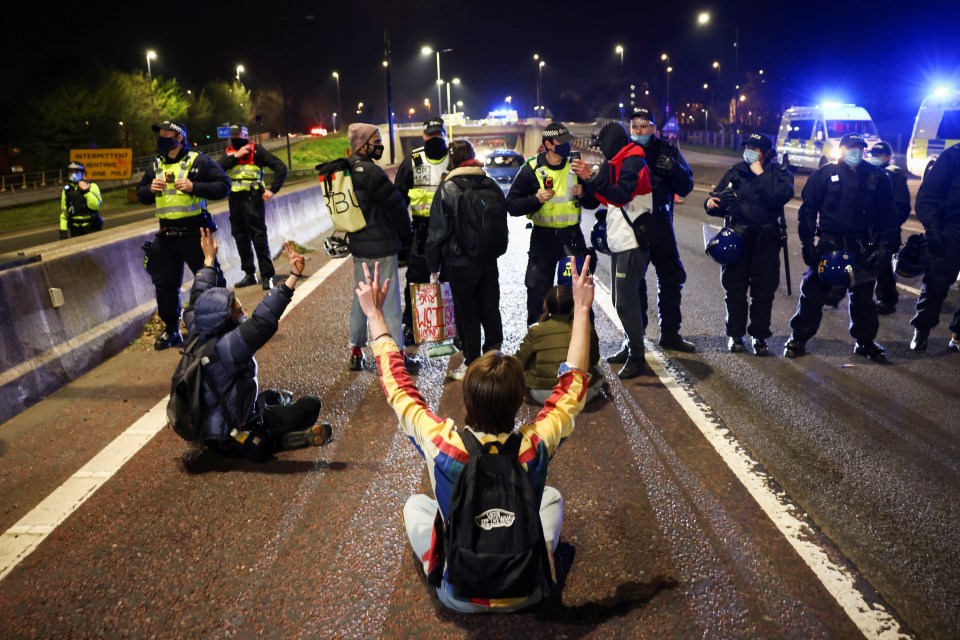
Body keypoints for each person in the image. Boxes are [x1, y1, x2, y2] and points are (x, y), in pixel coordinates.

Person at [355, 253, 594, 613]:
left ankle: (446, 570)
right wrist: (580, 311)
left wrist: (375, 316)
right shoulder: (535, 443)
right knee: (552, 497)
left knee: (415, 505)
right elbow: (572, 383)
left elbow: (399, 387)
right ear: (517, 402)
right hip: (528, 590)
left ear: (467, 399)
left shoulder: (442, 444)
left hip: (459, 594)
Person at [183, 228, 332, 462]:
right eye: (239, 312)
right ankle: (279, 441)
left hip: (211, 428)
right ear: (224, 319)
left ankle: (268, 428)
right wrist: (291, 278)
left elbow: (199, 296)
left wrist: (209, 260)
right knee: (310, 406)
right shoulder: (229, 347)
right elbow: (264, 320)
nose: (244, 314)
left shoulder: (196, 325)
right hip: (233, 436)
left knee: (273, 395)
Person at [784, 133, 898, 361]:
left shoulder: (878, 177)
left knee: (863, 299)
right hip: (830, 243)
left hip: (863, 246)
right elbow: (808, 211)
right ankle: (798, 338)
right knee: (813, 293)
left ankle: (865, 342)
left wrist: (885, 247)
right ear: (842, 149)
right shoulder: (824, 174)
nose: (855, 152)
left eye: (860, 148)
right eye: (851, 147)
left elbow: (888, 217)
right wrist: (807, 243)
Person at [606, 107, 696, 361]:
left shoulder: (668, 150)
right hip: (633, 224)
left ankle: (670, 333)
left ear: (654, 128)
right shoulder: (623, 152)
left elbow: (687, 186)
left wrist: (674, 169)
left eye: (644, 126)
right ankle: (634, 340)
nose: (639, 130)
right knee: (633, 284)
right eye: (634, 126)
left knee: (671, 276)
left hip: (661, 221)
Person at [137, 120, 230, 351]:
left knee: (211, 282)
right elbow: (140, 193)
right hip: (167, 236)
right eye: (160, 133)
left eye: (166, 132)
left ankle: (220, 326)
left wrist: (195, 187)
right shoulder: (156, 165)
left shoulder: (199, 161)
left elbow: (224, 186)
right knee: (165, 287)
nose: (162, 136)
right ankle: (172, 331)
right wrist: (149, 190)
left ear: (179, 137)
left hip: (195, 235)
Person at [576, 121, 655, 378]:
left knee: (625, 301)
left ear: (612, 142)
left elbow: (620, 195)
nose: (602, 151)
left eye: (603, 146)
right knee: (618, 300)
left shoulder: (632, 161)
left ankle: (637, 357)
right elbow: (607, 197)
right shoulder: (618, 161)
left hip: (632, 242)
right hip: (620, 241)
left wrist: (591, 177)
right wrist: (585, 189)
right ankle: (630, 345)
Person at [705, 133, 795, 354]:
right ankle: (735, 335)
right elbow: (716, 199)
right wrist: (711, 203)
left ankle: (759, 336)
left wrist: (760, 174)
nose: (750, 151)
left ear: (766, 153)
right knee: (734, 291)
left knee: (763, 293)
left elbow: (778, 196)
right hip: (737, 238)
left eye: (755, 148)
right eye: (748, 147)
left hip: (765, 240)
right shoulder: (735, 171)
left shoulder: (779, 174)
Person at [425, 139, 505, 380]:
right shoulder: (490, 184)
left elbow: (437, 232)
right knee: (490, 308)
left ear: (452, 161)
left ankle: (471, 363)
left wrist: (433, 265)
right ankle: (494, 358)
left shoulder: (448, 188)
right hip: (489, 259)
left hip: (459, 262)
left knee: (466, 312)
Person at [506, 121, 600, 326]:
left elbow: (594, 202)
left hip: (572, 237)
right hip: (543, 239)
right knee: (538, 292)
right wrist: (535, 200)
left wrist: (584, 193)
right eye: (562, 141)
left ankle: (585, 343)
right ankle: (536, 344)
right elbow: (511, 205)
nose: (567, 146)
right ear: (548, 144)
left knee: (579, 289)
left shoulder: (576, 166)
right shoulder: (531, 169)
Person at [343, 122, 414, 371]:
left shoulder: (344, 170)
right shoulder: (373, 173)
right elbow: (396, 208)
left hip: (359, 247)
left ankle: (355, 350)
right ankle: (397, 356)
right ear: (363, 144)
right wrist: (408, 236)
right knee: (389, 301)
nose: (380, 143)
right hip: (382, 247)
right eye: (376, 139)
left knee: (360, 298)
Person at [395, 117, 449, 345]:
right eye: (431, 135)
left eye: (439, 135)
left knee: (449, 279)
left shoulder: (454, 158)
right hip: (421, 231)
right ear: (424, 136)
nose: (435, 138)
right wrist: (403, 234)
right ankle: (411, 324)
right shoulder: (413, 161)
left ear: (444, 135)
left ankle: (449, 325)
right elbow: (398, 200)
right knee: (415, 279)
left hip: (449, 231)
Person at [217, 124, 289, 291]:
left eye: (238, 134)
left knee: (258, 237)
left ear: (246, 135)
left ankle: (267, 276)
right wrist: (235, 156)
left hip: (252, 200)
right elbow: (216, 169)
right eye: (233, 135)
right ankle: (249, 274)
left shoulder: (257, 151)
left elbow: (281, 167)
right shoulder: (229, 153)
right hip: (234, 202)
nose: (235, 137)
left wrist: (272, 190)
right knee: (240, 238)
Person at [908, 142, 960, 352]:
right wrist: (933, 229)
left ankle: (958, 334)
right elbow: (928, 196)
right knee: (936, 283)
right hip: (952, 229)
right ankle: (922, 330)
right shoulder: (954, 156)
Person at [515, 284, 603, 403]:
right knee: (599, 362)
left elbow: (519, 362)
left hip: (543, 394)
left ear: (546, 305)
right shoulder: (586, 328)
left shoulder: (536, 330)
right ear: (573, 306)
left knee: (530, 360)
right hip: (579, 395)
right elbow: (594, 359)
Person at [864, 141, 912, 315]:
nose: (875, 158)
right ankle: (841, 293)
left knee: (883, 267)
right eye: (873, 154)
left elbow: (902, 206)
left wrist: (890, 226)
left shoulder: (895, 175)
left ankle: (887, 300)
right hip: (866, 230)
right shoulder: (866, 171)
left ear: (887, 156)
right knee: (861, 264)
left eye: (879, 155)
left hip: (886, 231)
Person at [59, 161, 103, 239]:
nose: (73, 174)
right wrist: (63, 230)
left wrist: (86, 192)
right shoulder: (66, 190)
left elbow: (95, 206)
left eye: (76, 171)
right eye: (71, 172)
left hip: (91, 226)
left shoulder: (92, 186)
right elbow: (64, 212)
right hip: (75, 228)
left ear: (82, 173)